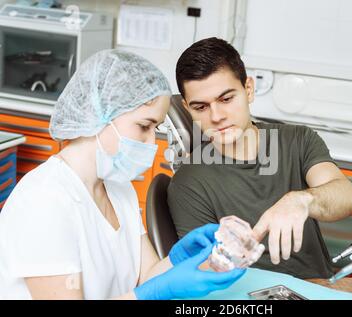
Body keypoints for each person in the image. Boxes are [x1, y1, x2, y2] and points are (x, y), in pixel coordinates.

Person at [0, 49, 245, 300]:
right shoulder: (44, 201)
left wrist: (177, 260)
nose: (152, 140)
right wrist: (155, 292)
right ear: (101, 114)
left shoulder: (118, 188)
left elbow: (147, 276)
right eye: (144, 126)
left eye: (156, 127)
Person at [167, 37, 352, 297]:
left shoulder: (297, 140)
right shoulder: (188, 183)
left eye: (226, 99)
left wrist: (301, 200)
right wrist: (316, 287)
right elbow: (208, 278)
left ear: (248, 89)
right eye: (201, 107)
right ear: (187, 108)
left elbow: (348, 197)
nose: (216, 117)